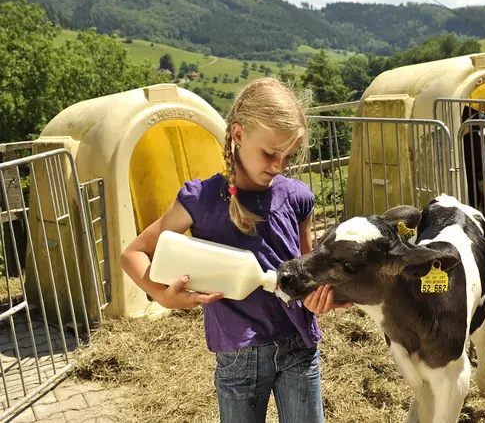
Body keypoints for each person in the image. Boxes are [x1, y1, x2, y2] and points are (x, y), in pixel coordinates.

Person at [120, 77, 351, 423]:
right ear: (239, 135)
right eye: (270, 154)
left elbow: (304, 275)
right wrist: (163, 297)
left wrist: (320, 297)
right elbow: (133, 253)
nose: (278, 166)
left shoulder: (298, 198)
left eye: (288, 157)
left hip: (299, 348)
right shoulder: (200, 199)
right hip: (237, 356)